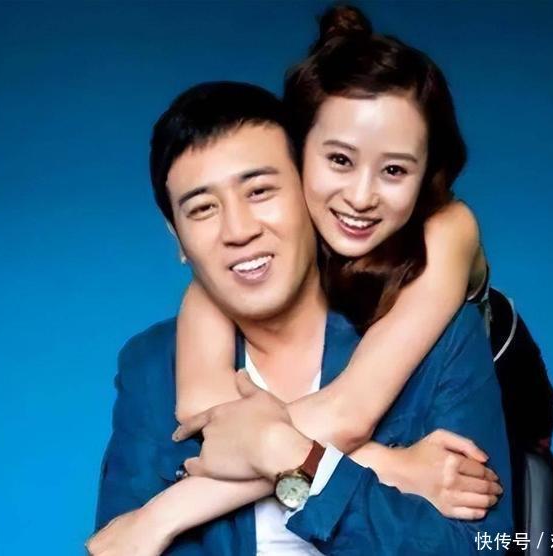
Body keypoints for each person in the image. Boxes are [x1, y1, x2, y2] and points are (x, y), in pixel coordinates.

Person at [89, 80, 512, 555]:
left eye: (260, 191)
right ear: (178, 237)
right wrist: (381, 467)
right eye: (203, 208)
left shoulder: (439, 334)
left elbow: (478, 549)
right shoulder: (153, 365)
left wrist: (284, 451)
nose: (239, 230)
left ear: (308, 193)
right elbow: (123, 545)